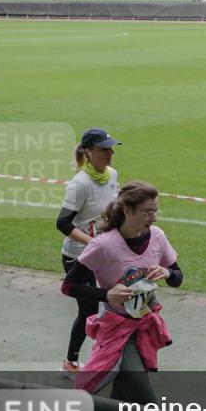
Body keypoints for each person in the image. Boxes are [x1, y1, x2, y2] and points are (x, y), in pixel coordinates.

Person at [61, 180, 182, 404]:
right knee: (148, 406)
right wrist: (106, 295)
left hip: (144, 328)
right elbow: (69, 286)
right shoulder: (104, 245)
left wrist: (166, 272)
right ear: (127, 210)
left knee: (125, 400)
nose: (153, 217)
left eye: (156, 211)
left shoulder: (157, 236)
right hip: (117, 332)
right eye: (147, 212)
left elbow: (178, 277)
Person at [57, 127, 121, 375]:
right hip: (78, 258)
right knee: (89, 310)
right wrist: (93, 243)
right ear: (88, 152)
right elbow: (62, 223)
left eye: (111, 148)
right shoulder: (79, 184)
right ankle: (72, 362)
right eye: (104, 149)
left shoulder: (112, 174)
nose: (111, 153)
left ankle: (109, 355)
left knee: (116, 304)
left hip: (104, 255)